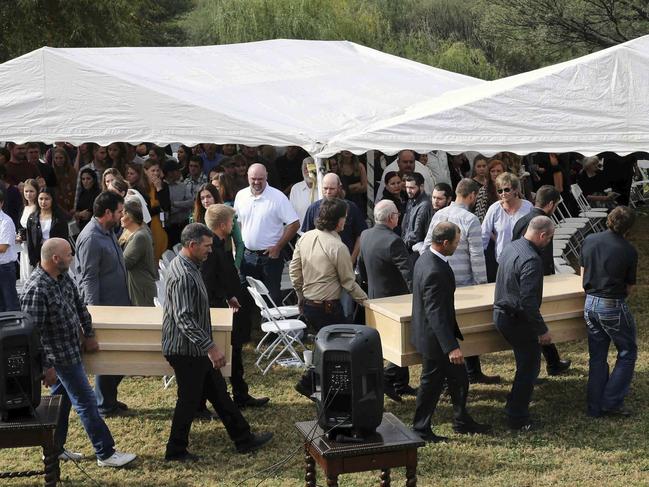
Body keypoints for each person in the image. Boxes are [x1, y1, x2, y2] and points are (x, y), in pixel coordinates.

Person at [20, 238, 136, 467]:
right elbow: (33, 336)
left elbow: (80, 305)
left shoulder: (62, 278)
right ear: (55, 259)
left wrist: (89, 333)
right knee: (86, 402)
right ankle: (105, 453)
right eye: (69, 254)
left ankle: (54, 449)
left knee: (60, 403)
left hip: (72, 350)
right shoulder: (36, 289)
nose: (72, 257)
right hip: (59, 358)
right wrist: (46, 367)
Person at [162, 223, 272, 460]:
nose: (210, 251)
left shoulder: (191, 266)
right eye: (207, 246)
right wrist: (210, 347)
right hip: (186, 350)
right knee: (188, 401)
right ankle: (175, 450)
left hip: (193, 349)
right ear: (192, 245)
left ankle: (243, 439)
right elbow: (185, 319)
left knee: (219, 394)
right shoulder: (183, 275)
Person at [410, 222, 491, 442]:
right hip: (436, 340)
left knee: (460, 379)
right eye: (456, 241)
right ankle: (420, 428)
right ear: (445, 243)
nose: (458, 245)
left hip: (434, 336)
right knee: (431, 385)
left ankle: (461, 420)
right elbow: (435, 312)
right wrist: (451, 347)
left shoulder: (425, 259)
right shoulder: (436, 270)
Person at [291, 198, 368, 399]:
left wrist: (300, 295)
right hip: (327, 307)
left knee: (327, 347)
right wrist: (366, 301)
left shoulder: (305, 238)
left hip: (309, 305)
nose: (345, 222)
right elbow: (348, 282)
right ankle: (316, 384)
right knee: (341, 349)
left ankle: (311, 383)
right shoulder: (338, 247)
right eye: (344, 218)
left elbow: (294, 271)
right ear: (338, 220)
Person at [424, 179, 498, 385]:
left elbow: (428, 244)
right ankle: (465, 373)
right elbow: (477, 255)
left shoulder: (439, 214)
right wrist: (482, 285)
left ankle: (471, 371)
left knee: (450, 326)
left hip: (439, 277)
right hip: (464, 283)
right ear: (473, 196)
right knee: (466, 328)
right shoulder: (471, 219)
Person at [203, 204, 269, 408]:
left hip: (229, 306)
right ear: (223, 225)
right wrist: (225, 298)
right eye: (232, 221)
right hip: (220, 312)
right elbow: (208, 282)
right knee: (228, 352)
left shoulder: (219, 245)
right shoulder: (211, 249)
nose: (234, 225)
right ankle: (225, 397)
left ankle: (241, 394)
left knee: (236, 352)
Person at [494, 216, 555, 431]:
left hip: (502, 313)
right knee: (529, 367)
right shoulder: (532, 260)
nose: (548, 243)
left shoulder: (512, 247)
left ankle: (514, 405)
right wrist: (542, 329)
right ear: (542, 235)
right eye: (549, 239)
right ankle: (517, 418)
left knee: (525, 364)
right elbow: (528, 300)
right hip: (517, 319)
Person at [75, 191, 131, 417]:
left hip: (117, 304)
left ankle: (109, 399)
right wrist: (93, 315)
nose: (121, 216)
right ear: (107, 212)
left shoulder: (106, 232)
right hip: (104, 309)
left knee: (119, 355)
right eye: (119, 212)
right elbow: (89, 278)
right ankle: (104, 404)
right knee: (107, 357)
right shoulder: (91, 238)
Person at [580, 206, 638, 417]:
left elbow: (582, 273)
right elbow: (629, 287)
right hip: (612, 303)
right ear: (628, 228)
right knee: (627, 351)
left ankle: (594, 406)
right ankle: (611, 401)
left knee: (597, 355)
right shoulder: (629, 250)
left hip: (589, 302)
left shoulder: (589, 240)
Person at [358, 200, 415, 402]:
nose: (398, 218)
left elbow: (361, 267)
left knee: (390, 342)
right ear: (391, 217)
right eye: (397, 215)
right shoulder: (393, 240)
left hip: (375, 296)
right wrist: (417, 294)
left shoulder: (365, 235)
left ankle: (400, 383)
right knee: (399, 343)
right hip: (396, 300)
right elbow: (409, 273)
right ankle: (387, 380)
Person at [512, 185, 571, 376]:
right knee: (536, 322)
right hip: (535, 277)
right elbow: (544, 256)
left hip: (518, 274)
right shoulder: (544, 223)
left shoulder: (521, 220)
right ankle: (544, 365)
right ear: (551, 204)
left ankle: (553, 361)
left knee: (535, 322)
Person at [235, 163, 300, 304]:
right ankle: (253, 326)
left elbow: (294, 224)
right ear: (247, 177)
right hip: (247, 255)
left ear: (266, 177)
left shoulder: (278, 197)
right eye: (253, 178)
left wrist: (278, 247)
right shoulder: (241, 195)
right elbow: (238, 224)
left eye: (260, 179)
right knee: (245, 297)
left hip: (270, 257)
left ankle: (270, 326)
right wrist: (238, 249)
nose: (257, 182)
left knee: (271, 298)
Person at [302, 172, 367, 264]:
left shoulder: (351, 207)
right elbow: (307, 237)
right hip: (321, 262)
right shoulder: (313, 209)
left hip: (345, 259)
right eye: (325, 188)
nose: (328, 192)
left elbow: (361, 234)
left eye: (332, 189)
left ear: (339, 188)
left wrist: (352, 259)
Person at [481, 172, 533, 269]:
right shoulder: (494, 209)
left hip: (525, 258)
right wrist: (479, 256)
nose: (503, 193)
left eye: (507, 189)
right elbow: (484, 233)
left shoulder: (528, 207)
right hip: (503, 260)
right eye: (500, 191)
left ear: (515, 190)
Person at [119, 200, 157, 307]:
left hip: (141, 289)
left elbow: (125, 262)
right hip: (137, 286)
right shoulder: (130, 232)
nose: (120, 218)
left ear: (130, 217)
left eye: (122, 214)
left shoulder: (140, 236)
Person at [25, 187, 69, 268]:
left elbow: (64, 238)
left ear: (52, 200)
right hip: (40, 258)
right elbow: (30, 242)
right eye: (41, 199)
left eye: (47, 199)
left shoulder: (59, 218)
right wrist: (34, 261)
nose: (43, 202)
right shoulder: (32, 218)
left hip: (57, 256)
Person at [143, 159, 171, 261]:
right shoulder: (142, 187)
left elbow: (166, 207)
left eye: (157, 170)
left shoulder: (164, 185)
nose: (156, 173)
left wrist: (159, 188)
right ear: (145, 171)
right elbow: (145, 211)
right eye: (152, 170)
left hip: (161, 225)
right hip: (148, 225)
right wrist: (157, 209)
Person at [163, 160, 194, 248]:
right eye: (177, 171)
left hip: (184, 224)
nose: (179, 173)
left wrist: (175, 204)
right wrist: (181, 206)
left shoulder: (183, 186)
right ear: (170, 173)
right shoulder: (163, 188)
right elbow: (167, 208)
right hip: (170, 226)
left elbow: (191, 202)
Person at [401, 173, 432, 256]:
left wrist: (402, 245)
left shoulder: (424, 205)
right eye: (407, 187)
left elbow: (417, 234)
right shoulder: (411, 200)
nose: (408, 191)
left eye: (411, 188)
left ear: (421, 186)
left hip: (416, 252)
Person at [0, 189, 20, 312]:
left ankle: (15, 331)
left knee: (10, 304)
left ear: (1, 203)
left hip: (5, 268)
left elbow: (2, 247)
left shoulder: (5, 221)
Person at [17, 179, 39, 281]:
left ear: (37, 192)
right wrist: (20, 235)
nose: (28, 194)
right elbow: (22, 226)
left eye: (31, 191)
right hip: (24, 245)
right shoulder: (24, 207)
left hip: (33, 245)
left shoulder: (38, 208)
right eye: (26, 191)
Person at [289, 157, 317, 230]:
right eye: (306, 168)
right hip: (301, 234)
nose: (309, 171)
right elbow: (292, 215)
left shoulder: (323, 187)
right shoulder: (296, 189)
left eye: (311, 168)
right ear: (302, 170)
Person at [51, 147, 77, 216]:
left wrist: (75, 207)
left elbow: (75, 189)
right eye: (56, 158)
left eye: (61, 158)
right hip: (58, 207)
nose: (58, 160)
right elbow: (53, 192)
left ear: (65, 158)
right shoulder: (51, 173)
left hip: (72, 205)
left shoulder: (72, 171)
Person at [74, 168, 101, 232]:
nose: (85, 181)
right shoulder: (82, 194)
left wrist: (90, 214)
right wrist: (80, 214)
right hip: (83, 228)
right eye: (83, 179)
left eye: (88, 179)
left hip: (96, 227)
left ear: (94, 180)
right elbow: (76, 212)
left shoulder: (99, 194)